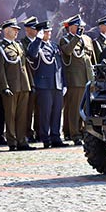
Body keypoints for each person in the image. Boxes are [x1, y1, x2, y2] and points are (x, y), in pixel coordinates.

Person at [0, 18, 34, 151]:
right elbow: (0, 69)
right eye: (14, 30)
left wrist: (30, 84)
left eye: (17, 30)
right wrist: (4, 86)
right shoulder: (0, 47)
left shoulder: (19, 45)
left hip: (23, 85)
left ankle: (22, 140)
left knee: (22, 115)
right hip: (11, 87)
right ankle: (12, 141)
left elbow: (25, 66)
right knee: (10, 116)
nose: (17, 32)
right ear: (7, 31)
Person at [27, 21, 69, 149]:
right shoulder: (36, 45)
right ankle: (45, 138)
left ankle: (56, 136)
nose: (49, 34)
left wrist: (64, 83)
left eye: (49, 31)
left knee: (57, 112)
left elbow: (60, 66)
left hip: (57, 84)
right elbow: (32, 55)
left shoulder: (54, 46)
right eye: (46, 32)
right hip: (44, 85)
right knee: (45, 113)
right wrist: (38, 39)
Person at [59, 14, 96, 146]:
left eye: (82, 27)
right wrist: (76, 37)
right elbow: (68, 52)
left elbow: (92, 59)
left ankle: (85, 132)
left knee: (87, 108)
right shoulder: (65, 40)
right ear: (72, 27)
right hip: (75, 79)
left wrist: (94, 77)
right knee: (75, 108)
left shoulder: (87, 39)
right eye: (79, 26)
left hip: (88, 78)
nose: (82, 29)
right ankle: (74, 134)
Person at [19, 16, 39, 143]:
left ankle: (38, 132)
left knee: (40, 110)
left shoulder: (41, 40)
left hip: (42, 79)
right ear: (27, 30)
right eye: (34, 28)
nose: (37, 31)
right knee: (27, 110)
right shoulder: (23, 43)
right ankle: (27, 132)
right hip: (29, 79)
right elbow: (32, 54)